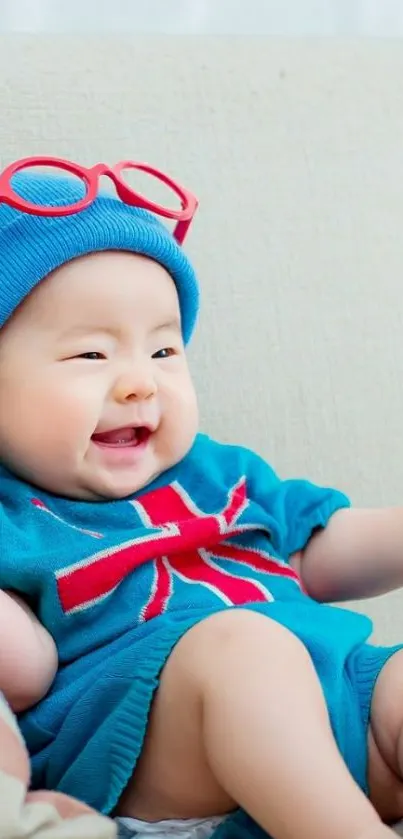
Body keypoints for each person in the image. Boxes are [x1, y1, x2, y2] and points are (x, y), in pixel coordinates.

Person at [1, 157, 403, 839]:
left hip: (340, 697)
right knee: (243, 648)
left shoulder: (218, 473)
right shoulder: (19, 519)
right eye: (91, 356)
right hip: (152, 741)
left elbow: (321, 554)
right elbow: (27, 669)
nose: (139, 384)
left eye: (163, 352)